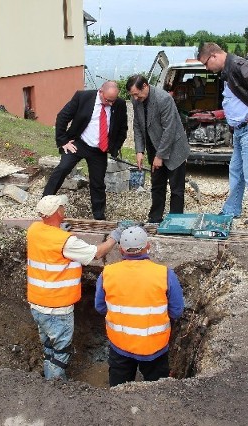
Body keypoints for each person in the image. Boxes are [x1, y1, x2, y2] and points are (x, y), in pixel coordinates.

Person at [27, 194, 124, 380]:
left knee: (49, 347)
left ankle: (48, 379)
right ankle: (55, 386)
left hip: (37, 305)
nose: (64, 209)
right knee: (61, 351)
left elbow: (50, 240)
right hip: (57, 310)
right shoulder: (66, 242)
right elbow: (97, 253)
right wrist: (114, 237)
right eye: (62, 207)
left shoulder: (34, 229)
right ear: (57, 212)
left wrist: (61, 232)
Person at [197, 43, 248, 226]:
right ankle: (232, 209)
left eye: (205, 63)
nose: (206, 68)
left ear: (214, 56)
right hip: (241, 130)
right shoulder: (227, 71)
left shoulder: (238, 66)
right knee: (236, 171)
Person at [94, 226, 185, 386]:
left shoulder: (107, 273)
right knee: (158, 391)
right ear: (147, 247)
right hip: (155, 348)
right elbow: (176, 312)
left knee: (118, 391)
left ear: (121, 249)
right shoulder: (165, 274)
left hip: (120, 345)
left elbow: (100, 307)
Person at [43, 81, 128, 220]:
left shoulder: (119, 104)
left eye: (113, 100)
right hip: (79, 143)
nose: (111, 103)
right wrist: (63, 140)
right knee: (62, 168)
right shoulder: (82, 97)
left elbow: (122, 128)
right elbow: (62, 116)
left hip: (100, 149)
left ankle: (99, 215)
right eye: (108, 100)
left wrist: (115, 147)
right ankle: (45, 203)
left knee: (98, 182)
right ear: (100, 92)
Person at [126, 75, 190, 224]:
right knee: (157, 185)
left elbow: (169, 130)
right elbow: (137, 125)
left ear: (145, 86)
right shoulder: (137, 101)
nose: (135, 98)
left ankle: (175, 221)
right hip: (154, 146)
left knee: (176, 189)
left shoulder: (163, 99)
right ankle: (155, 218)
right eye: (132, 95)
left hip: (174, 148)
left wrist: (160, 156)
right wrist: (139, 150)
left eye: (137, 94)